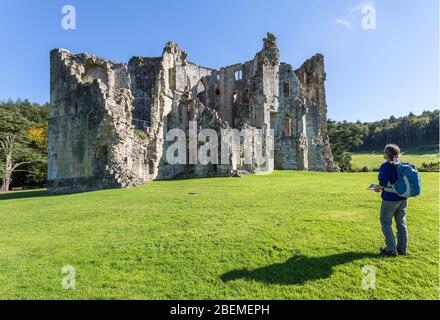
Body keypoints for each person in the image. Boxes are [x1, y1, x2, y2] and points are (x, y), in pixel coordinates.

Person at [374, 144, 408, 257]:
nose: (383, 154)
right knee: (401, 223)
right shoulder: (401, 165)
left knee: (385, 222)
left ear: (387, 154)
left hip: (390, 199)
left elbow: (382, 182)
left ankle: (391, 250)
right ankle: (402, 249)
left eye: (384, 152)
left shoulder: (386, 166)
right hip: (403, 198)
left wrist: (377, 188)